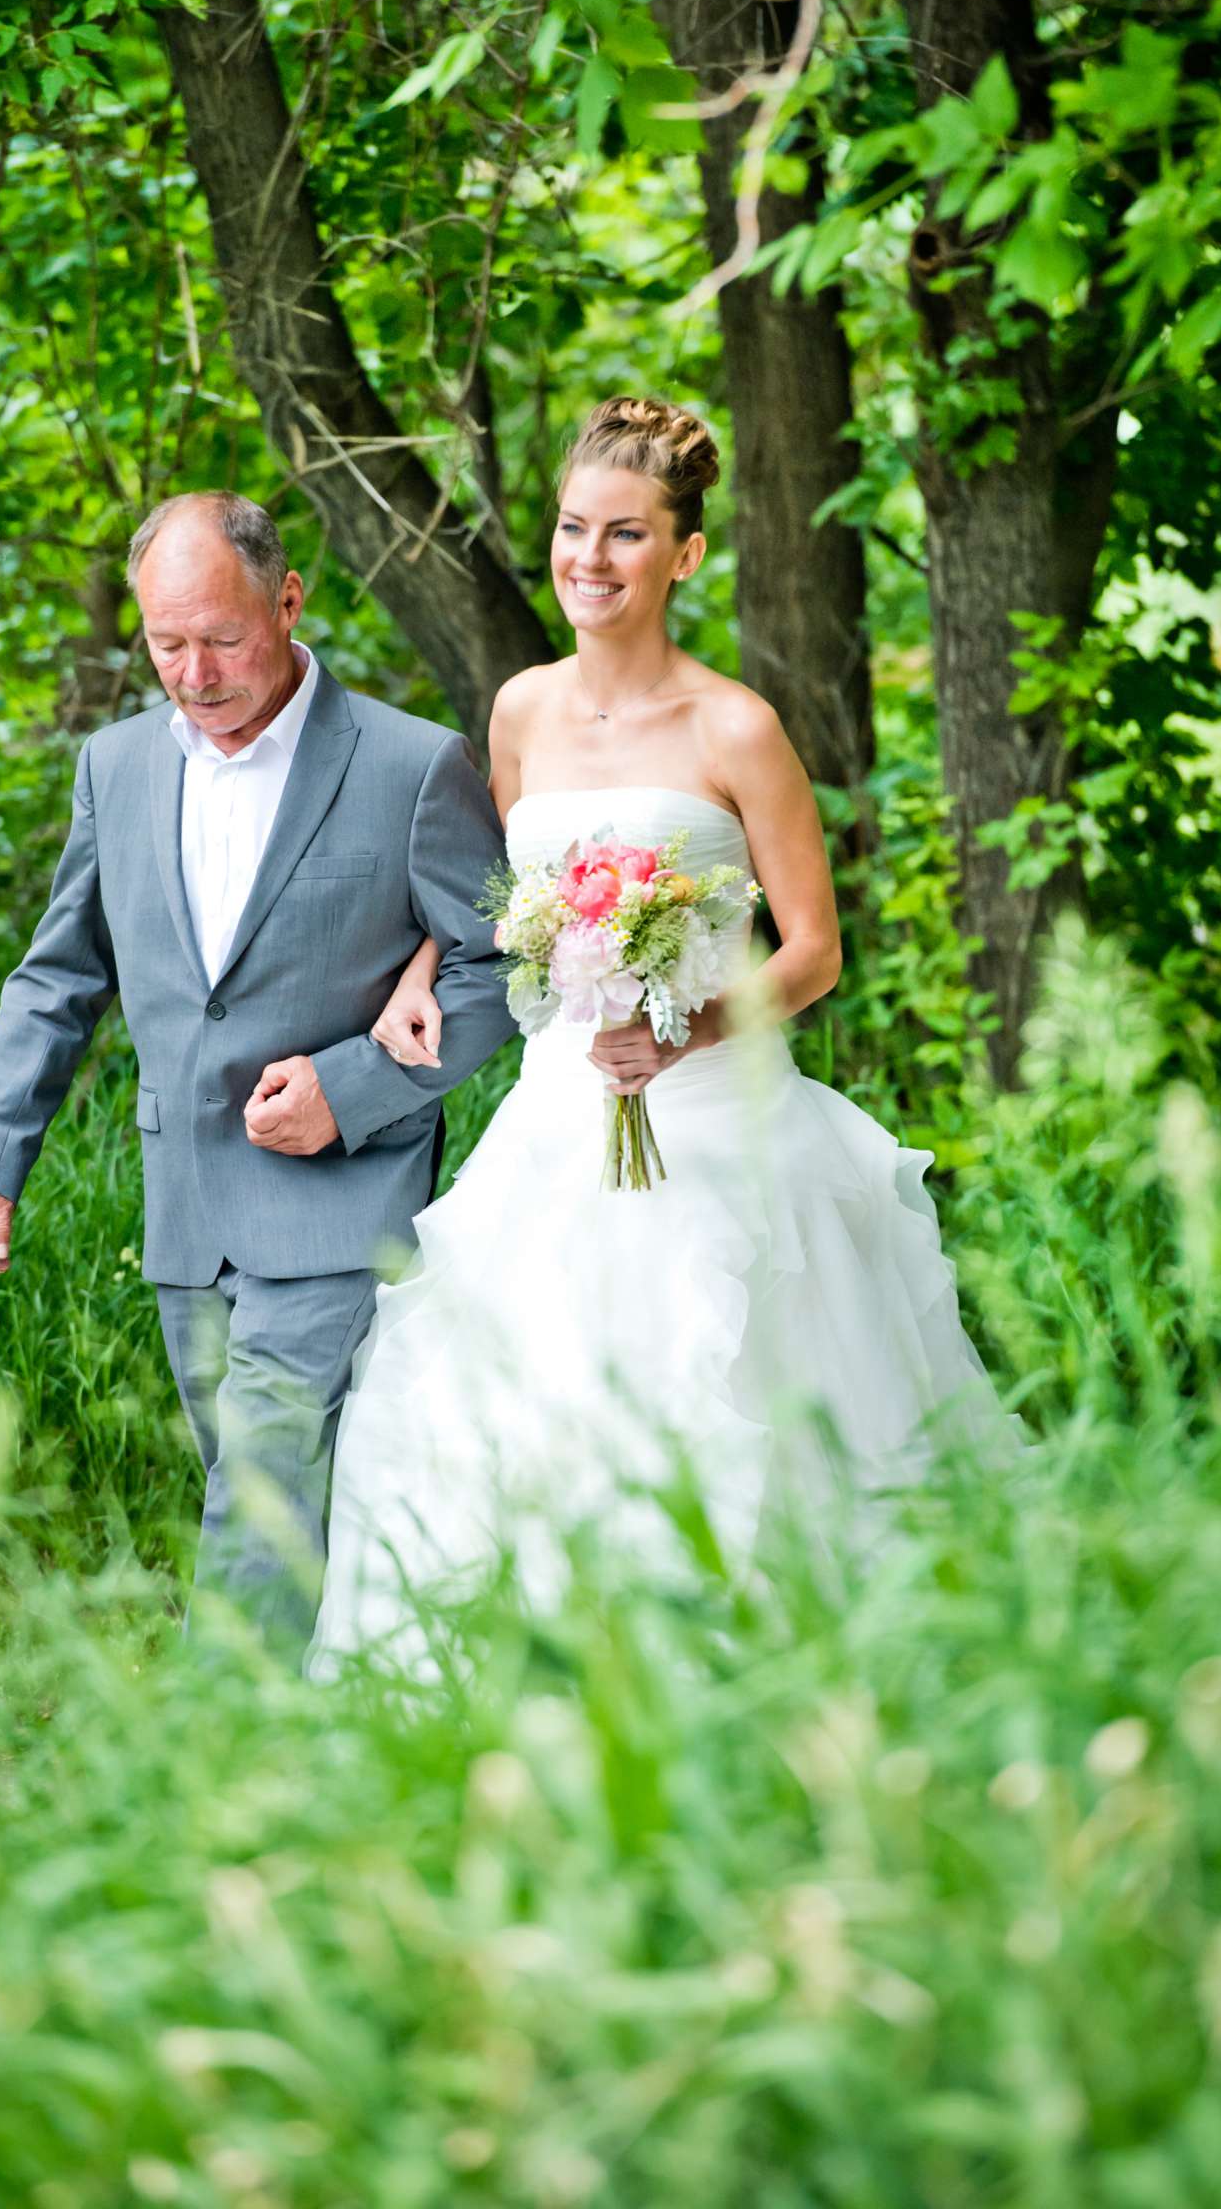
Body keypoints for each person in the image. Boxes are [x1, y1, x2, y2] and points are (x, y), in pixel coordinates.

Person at [309, 397, 1021, 1677]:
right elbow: (503, 899)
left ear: (682, 555)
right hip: (555, 1119)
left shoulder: (732, 726)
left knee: (735, 1410)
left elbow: (812, 949)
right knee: (530, 1408)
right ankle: (546, 1693)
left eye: (625, 535)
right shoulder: (519, 710)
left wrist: (684, 1029)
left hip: (720, 1122)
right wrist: (422, 969)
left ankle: (768, 1689)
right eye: (575, 529)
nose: (590, 558)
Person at [0, 492, 514, 1655]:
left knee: (260, 1489)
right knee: (278, 1497)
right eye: (166, 643)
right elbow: (59, 980)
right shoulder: (115, 769)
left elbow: (500, 969)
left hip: (343, 1201)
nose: (194, 673)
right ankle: (349, 1726)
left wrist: (350, 1089)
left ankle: (207, 1778)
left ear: (288, 601)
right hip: (186, 1212)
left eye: (223, 637)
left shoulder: (410, 766)